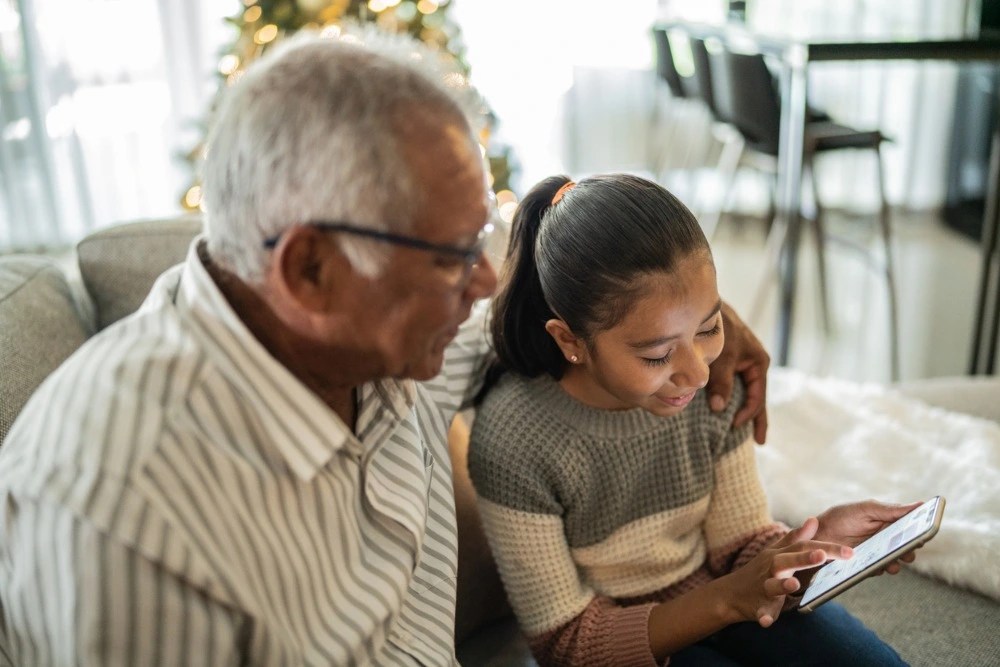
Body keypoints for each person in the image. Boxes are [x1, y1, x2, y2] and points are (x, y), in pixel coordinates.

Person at [0, 32, 771, 665]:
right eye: (449, 255)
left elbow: (537, 331)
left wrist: (705, 326)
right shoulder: (124, 516)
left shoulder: (392, 349)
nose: (480, 281)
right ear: (311, 270)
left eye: (481, 239)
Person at [468, 173, 916, 666]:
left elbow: (741, 547)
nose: (698, 373)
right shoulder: (514, 440)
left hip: (723, 597)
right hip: (614, 643)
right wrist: (727, 599)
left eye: (710, 327)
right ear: (571, 341)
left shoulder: (717, 383)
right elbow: (566, 644)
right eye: (658, 356)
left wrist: (811, 548)